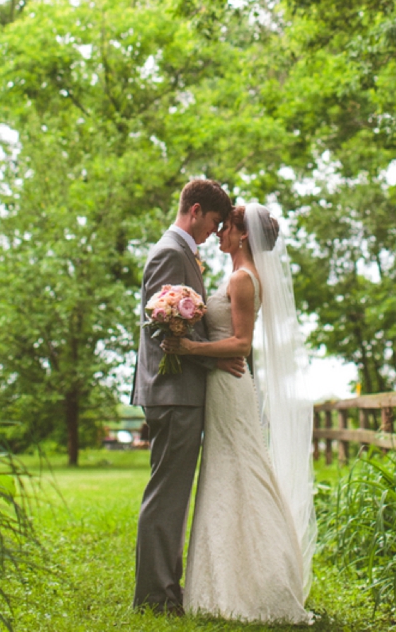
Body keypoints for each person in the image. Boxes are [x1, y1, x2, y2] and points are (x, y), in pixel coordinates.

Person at [163, 202, 316, 624]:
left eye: (225, 228)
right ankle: (222, 581)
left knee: (242, 469)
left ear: (243, 233)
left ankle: (263, 582)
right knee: (223, 473)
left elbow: (242, 345)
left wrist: (190, 349)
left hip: (231, 388)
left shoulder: (243, 279)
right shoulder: (236, 275)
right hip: (220, 384)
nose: (218, 234)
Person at [131, 178, 244, 615]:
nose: (215, 232)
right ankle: (155, 596)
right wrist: (212, 359)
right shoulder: (169, 253)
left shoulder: (182, 253)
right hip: (173, 390)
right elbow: (163, 334)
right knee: (168, 493)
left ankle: (162, 588)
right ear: (195, 210)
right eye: (214, 222)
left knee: (172, 492)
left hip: (180, 390)